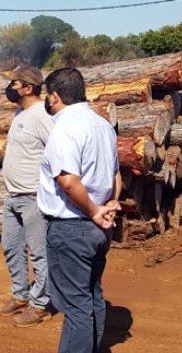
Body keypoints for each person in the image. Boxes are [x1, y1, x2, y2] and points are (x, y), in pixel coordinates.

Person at [38, 68, 122, 353]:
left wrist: (94, 210)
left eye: (47, 96)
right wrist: (109, 204)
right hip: (98, 229)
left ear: (55, 96)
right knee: (92, 296)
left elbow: (68, 181)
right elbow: (115, 175)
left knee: (75, 307)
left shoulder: (65, 129)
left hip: (71, 228)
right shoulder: (102, 126)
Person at [0, 65, 54, 327]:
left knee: (39, 253)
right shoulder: (21, 111)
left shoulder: (41, 115)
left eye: (15, 84)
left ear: (28, 88)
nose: (11, 88)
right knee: (11, 247)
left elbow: (57, 151)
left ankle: (41, 305)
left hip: (33, 196)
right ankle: (20, 295)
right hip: (13, 196)